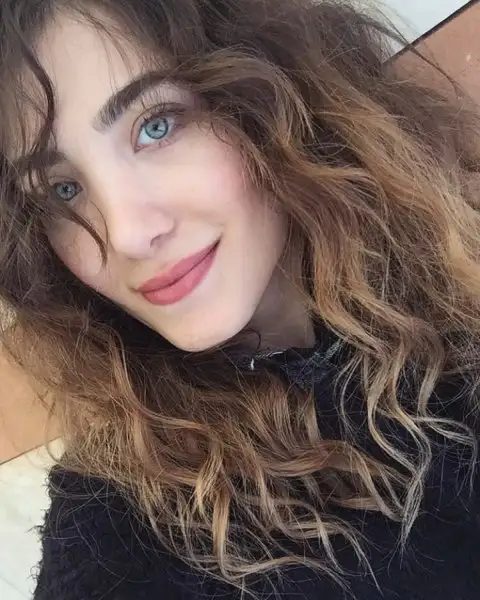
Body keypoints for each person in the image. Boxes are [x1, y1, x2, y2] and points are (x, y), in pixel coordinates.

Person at [1, 0, 480, 598]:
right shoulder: (117, 531)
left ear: (268, 94)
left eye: (156, 125)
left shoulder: (460, 283)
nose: (126, 233)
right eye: (62, 190)